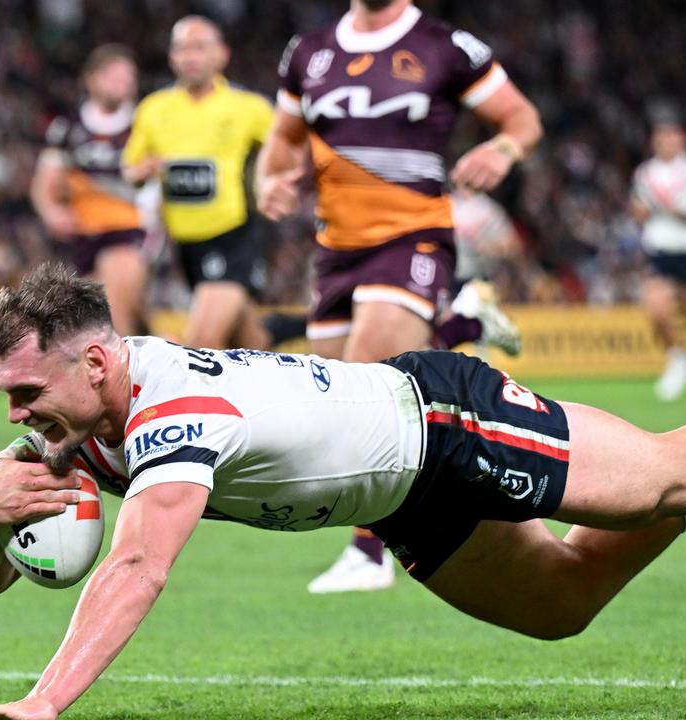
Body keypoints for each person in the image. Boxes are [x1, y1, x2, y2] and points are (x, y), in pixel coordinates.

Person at [0, 263, 686, 719]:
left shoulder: (167, 413)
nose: (18, 413)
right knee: (562, 606)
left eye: (29, 390)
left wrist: (43, 703)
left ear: (100, 362)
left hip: (443, 422)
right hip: (394, 497)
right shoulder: (71, 423)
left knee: (665, 473)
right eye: (8, 398)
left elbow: (138, 563)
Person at [255, 0, 541, 592]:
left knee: (369, 390)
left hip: (413, 236)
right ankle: (463, 324)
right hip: (335, 250)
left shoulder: (445, 46)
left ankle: (369, 554)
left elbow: (521, 119)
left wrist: (502, 150)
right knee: (330, 403)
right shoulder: (307, 53)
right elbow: (282, 141)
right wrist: (270, 180)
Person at [122, 16, 278, 350]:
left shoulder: (248, 107)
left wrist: (272, 180)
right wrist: (140, 172)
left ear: (222, 54)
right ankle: (291, 329)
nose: (189, 56)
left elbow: (289, 148)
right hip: (184, 245)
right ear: (171, 57)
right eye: (181, 48)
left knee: (202, 342)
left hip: (233, 235)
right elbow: (130, 167)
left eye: (199, 47)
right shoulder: (154, 109)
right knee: (251, 342)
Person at [30, 44, 150, 338]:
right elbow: (45, 181)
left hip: (132, 229)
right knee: (116, 316)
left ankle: (121, 380)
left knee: (112, 310)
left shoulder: (146, 123)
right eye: (113, 76)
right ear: (91, 79)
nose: (122, 83)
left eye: (128, 77)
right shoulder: (68, 128)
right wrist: (51, 211)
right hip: (85, 233)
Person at [629, 110, 686, 405]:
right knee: (657, 310)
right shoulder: (646, 173)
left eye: (671, 136)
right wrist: (640, 212)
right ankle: (677, 358)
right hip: (660, 251)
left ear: (682, 140)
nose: (666, 141)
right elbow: (637, 209)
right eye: (661, 136)